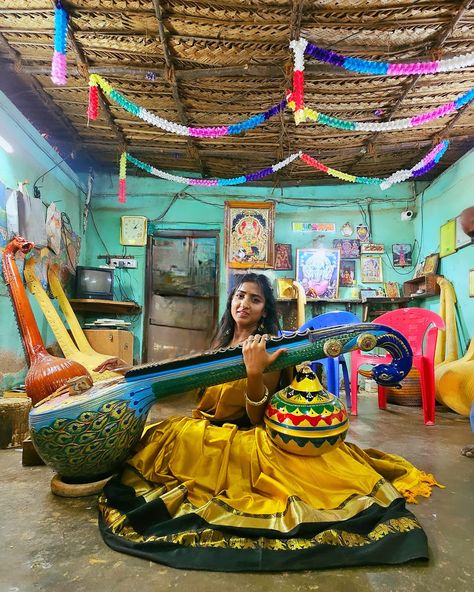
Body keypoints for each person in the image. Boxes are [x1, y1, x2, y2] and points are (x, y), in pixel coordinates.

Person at [95, 272, 441, 572]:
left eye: (255, 300)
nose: (244, 304)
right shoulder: (223, 341)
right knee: (162, 435)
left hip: (242, 436)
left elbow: (257, 416)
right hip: (205, 426)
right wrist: (129, 371)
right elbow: (185, 373)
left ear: (265, 310)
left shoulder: (269, 348)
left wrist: (255, 372)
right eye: (240, 296)